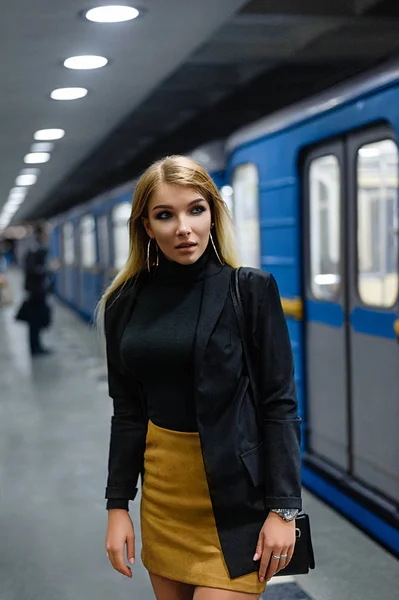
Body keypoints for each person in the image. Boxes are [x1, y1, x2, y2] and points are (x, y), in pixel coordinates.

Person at [98, 156, 302, 600]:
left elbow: (279, 404)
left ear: (213, 212)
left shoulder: (249, 290)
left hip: (237, 502)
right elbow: (128, 412)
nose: (183, 228)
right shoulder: (124, 303)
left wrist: (284, 510)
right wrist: (118, 506)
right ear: (146, 227)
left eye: (195, 209)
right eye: (164, 215)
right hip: (165, 495)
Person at [22, 224, 52, 355]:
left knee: (36, 320)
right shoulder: (35, 250)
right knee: (35, 320)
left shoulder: (34, 249)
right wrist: (48, 269)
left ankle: (37, 346)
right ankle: (35, 348)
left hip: (35, 290)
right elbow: (33, 270)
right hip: (36, 291)